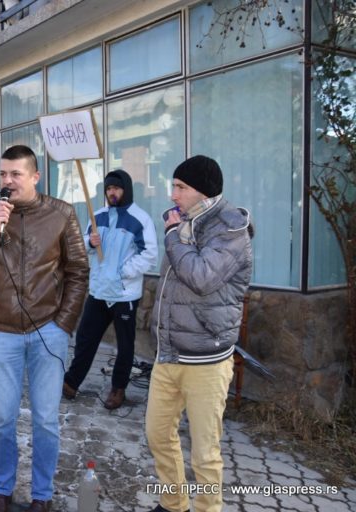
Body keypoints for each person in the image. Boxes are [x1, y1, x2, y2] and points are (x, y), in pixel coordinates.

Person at [0, 145, 88, 512]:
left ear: (35, 176)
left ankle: (42, 495)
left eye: (15, 174)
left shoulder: (61, 213)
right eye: (2, 174)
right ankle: (2, 489)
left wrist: (64, 325)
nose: (8, 181)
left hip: (49, 331)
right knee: (2, 418)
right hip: (1, 331)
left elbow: (78, 271)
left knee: (46, 420)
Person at [146, 155, 252, 512]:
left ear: (202, 193)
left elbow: (202, 277)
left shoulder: (231, 230)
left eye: (180, 187)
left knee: (205, 452)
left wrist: (174, 237)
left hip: (207, 358)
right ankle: (174, 504)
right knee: (158, 435)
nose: (172, 194)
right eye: (173, 186)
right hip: (169, 352)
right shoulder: (185, 223)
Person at [62, 169, 158, 409]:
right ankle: (71, 382)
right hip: (99, 291)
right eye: (108, 189)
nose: (112, 192)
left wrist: (122, 272)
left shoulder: (140, 219)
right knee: (85, 338)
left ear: (126, 189)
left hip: (124, 294)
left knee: (124, 345)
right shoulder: (98, 216)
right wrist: (89, 243)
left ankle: (118, 389)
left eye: (116, 188)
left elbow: (150, 254)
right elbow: (83, 246)